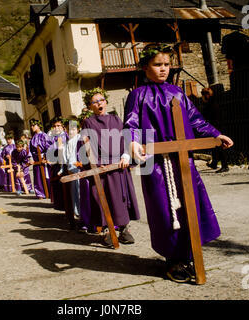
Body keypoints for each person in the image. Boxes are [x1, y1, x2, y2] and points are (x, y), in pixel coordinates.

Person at [123, 43, 234, 283]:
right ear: (145, 67)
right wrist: (132, 143)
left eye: (166, 64)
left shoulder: (177, 93)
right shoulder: (137, 95)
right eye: (157, 64)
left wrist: (215, 134)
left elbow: (195, 120)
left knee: (189, 206)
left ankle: (190, 254)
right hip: (153, 162)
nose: (163, 69)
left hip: (181, 159)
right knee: (164, 210)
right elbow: (130, 124)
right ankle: (173, 260)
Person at [81, 88, 141, 246]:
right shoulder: (88, 122)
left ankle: (124, 230)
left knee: (121, 198)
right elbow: (87, 145)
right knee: (102, 198)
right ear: (90, 106)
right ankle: (106, 231)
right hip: (101, 167)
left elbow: (125, 138)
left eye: (101, 100)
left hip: (119, 165)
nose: (99, 103)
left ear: (106, 102)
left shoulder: (116, 119)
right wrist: (96, 163)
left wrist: (126, 155)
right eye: (95, 102)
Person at [201, 86, 229, 173]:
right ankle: (214, 162)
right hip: (218, 126)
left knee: (220, 147)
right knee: (215, 146)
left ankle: (225, 165)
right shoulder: (214, 102)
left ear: (206, 95)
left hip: (216, 127)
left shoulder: (210, 105)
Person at [29, 118, 53, 200]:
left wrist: (45, 157)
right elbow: (30, 150)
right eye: (31, 126)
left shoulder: (44, 135)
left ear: (38, 126)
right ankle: (40, 193)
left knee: (46, 175)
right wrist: (31, 158)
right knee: (38, 176)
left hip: (43, 158)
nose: (32, 127)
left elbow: (49, 147)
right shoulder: (33, 138)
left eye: (33, 125)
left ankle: (49, 192)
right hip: (36, 159)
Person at [48, 116, 68, 210]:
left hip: (62, 163)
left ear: (63, 126)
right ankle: (59, 204)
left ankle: (65, 205)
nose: (56, 128)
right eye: (54, 126)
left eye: (58, 125)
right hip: (55, 162)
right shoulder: (54, 137)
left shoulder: (65, 136)